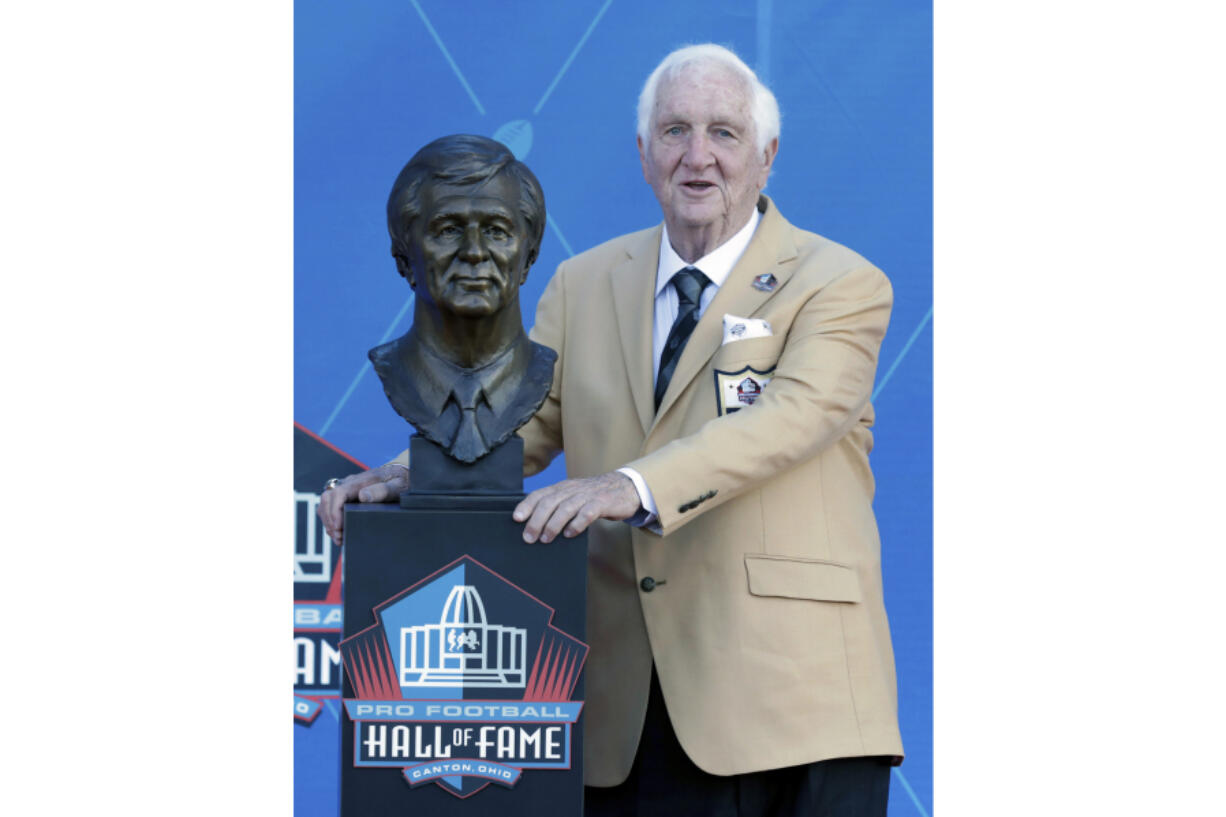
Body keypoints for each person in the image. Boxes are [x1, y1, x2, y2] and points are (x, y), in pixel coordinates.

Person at [321, 43, 903, 817]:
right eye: (675, 131)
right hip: (625, 712)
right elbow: (523, 423)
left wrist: (627, 486)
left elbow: (790, 417)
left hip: (797, 708)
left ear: (767, 156)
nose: (698, 158)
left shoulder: (840, 282)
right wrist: (410, 474)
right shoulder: (582, 280)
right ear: (642, 153)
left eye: (724, 134)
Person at [369, 134, 556, 464]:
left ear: (528, 259)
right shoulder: (393, 368)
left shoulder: (544, 373)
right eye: (448, 230)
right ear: (403, 258)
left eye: (497, 230)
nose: (474, 252)